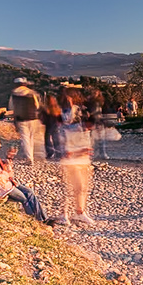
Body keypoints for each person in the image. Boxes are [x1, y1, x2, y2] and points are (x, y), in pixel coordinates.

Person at [0, 135, 45, 221]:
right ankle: (36, 220)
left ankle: (43, 218)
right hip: (0, 187)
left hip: (6, 183)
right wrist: (6, 173)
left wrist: (6, 164)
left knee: (30, 192)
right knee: (24, 198)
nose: (0, 145)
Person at [53, 88, 96, 225]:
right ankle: (65, 213)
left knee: (81, 186)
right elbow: (63, 130)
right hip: (70, 155)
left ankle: (79, 212)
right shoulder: (65, 114)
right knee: (69, 185)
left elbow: (87, 130)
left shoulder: (82, 112)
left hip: (82, 154)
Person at [9, 79, 42, 163]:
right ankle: (31, 156)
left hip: (21, 119)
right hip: (33, 118)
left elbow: (11, 107)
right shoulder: (31, 93)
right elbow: (37, 106)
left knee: (25, 138)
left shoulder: (14, 94)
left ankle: (29, 157)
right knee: (31, 138)